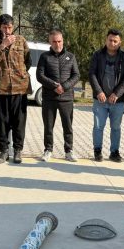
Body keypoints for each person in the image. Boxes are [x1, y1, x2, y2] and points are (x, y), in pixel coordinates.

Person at [0, 14, 32, 164]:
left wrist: (20, 74)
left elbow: (28, 61)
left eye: (10, 27)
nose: (8, 30)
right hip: (1, 88)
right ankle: (3, 151)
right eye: (5, 27)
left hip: (20, 87)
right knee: (1, 121)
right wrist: (3, 45)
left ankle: (18, 150)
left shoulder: (21, 40)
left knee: (19, 121)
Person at [89, 29, 124, 162]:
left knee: (116, 128)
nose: (112, 43)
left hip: (117, 102)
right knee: (98, 127)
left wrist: (117, 94)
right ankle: (97, 151)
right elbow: (92, 74)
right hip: (100, 101)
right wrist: (99, 92)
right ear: (106, 40)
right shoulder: (97, 55)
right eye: (110, 40)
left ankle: (114, 152)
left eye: (115, 41)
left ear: (120, 43)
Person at [36, 29, 80, 162]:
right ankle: (48, 150)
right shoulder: (44, 57)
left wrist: (64, 86)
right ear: (50, 41)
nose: (57, 44)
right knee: (48, 126)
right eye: (54, 41)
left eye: (59, 41)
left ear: (63, 41)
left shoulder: (71, 57)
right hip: (49, 98)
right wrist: (55, 86)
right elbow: (40, 75)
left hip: (66, 98)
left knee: (68, 126)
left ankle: (69, 151)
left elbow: (76, 75)